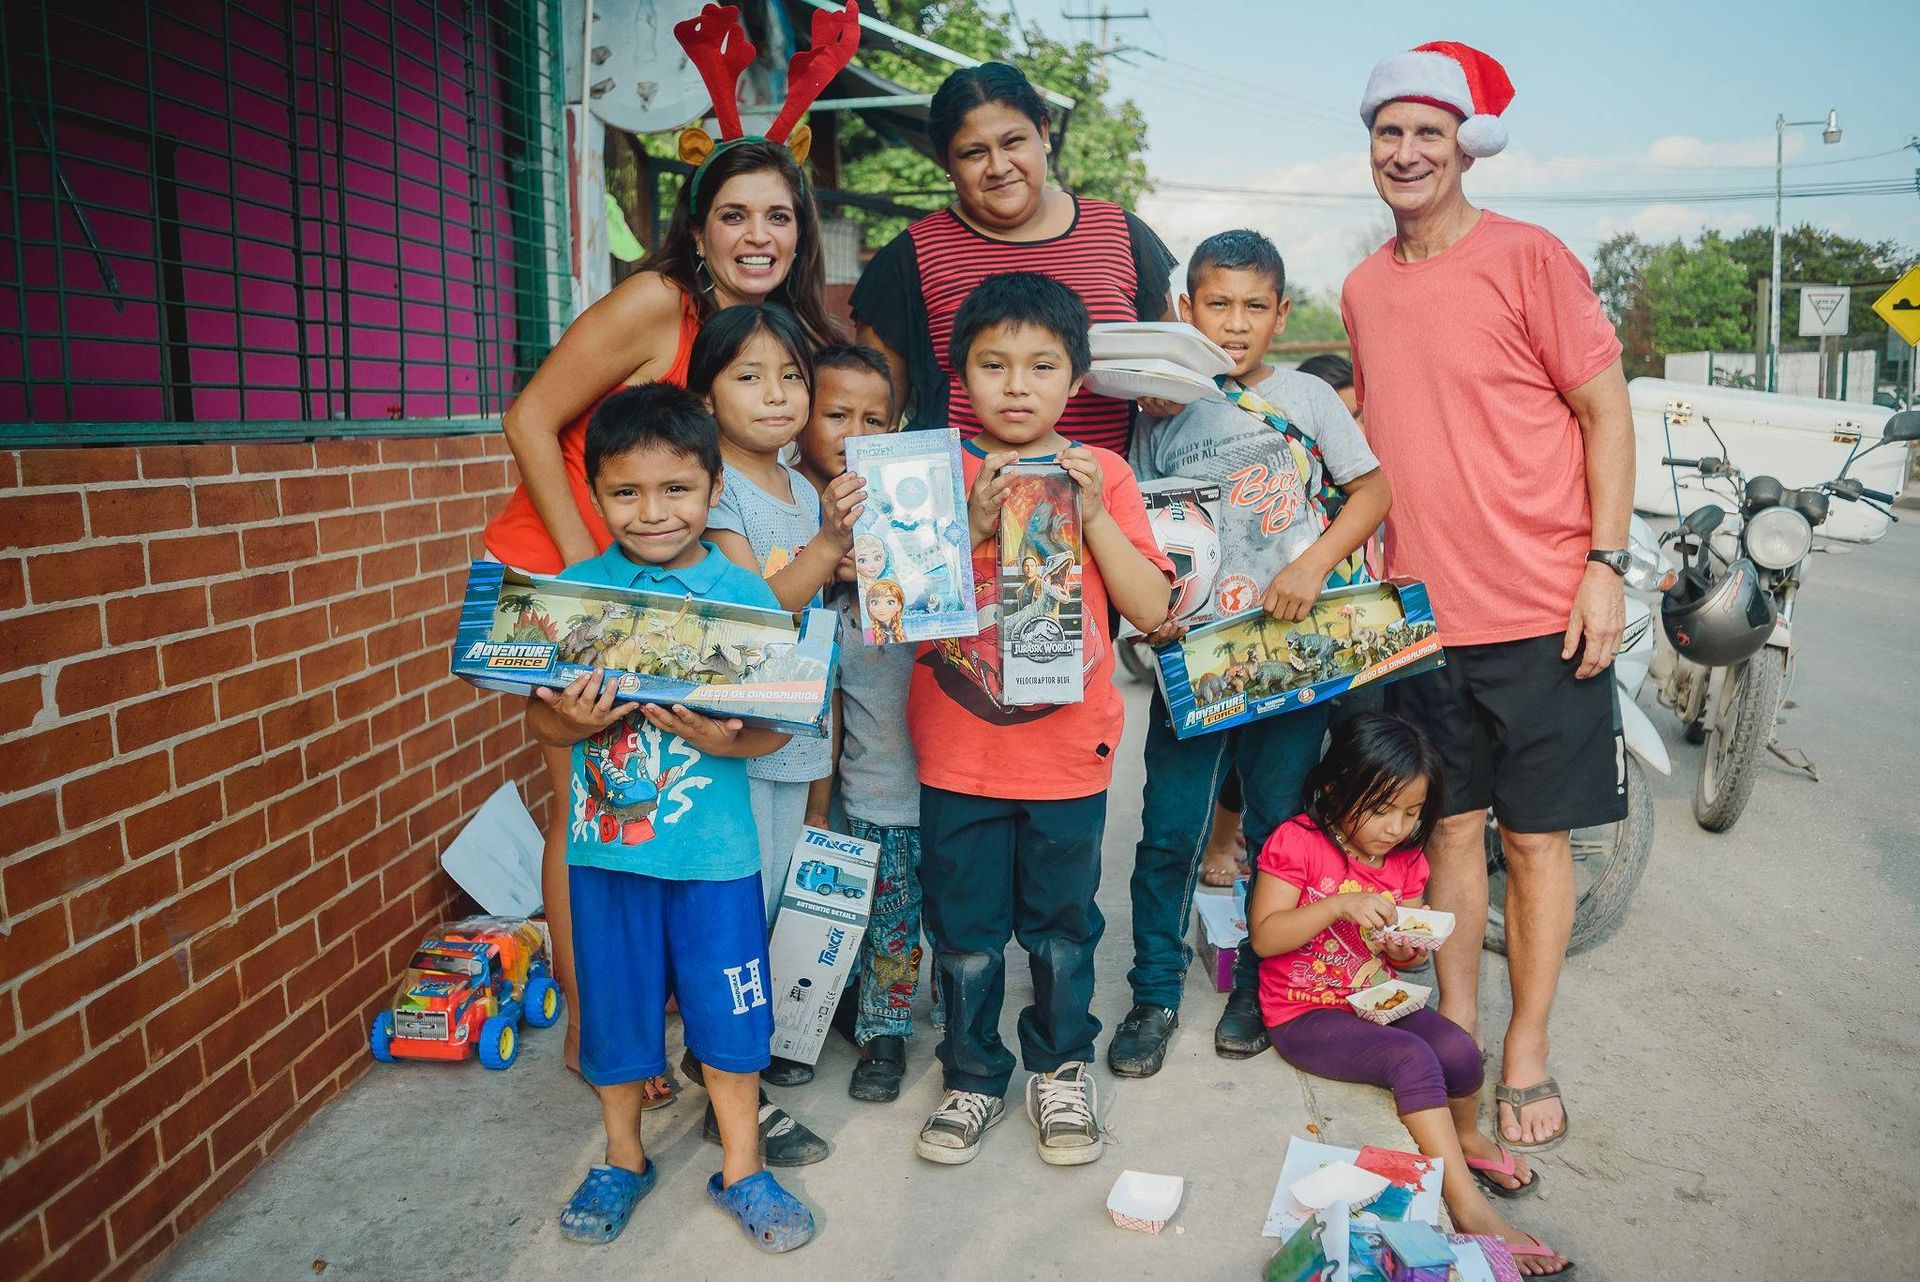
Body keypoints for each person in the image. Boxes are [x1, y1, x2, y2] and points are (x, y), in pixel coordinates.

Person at [479, 137, 838, 1103]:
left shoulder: (771, 325)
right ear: (697, 226)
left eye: (777, 215)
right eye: (733, 214)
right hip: (578, 564)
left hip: (670, 586)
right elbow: (530, 419)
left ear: (800, 231)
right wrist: (589, 582)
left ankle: (664, 1012)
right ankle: (594, 1031)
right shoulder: (657, 304)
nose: (756, 235)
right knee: (585, 800)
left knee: (658, 788)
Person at [1342, 42, 1635, 1156]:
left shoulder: (1531, 259)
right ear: (1368, 148)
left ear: (1465, 144)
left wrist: (1603, 565)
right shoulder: (1365, 288)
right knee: (1450, 832)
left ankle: (1528, 1050)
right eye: (1387, 133)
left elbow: (1606, 413)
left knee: (1536, 844)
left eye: (1427, 131)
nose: (1406, 152)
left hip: (1543, 606)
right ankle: (1459, 1034)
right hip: (1421, 618)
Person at [527, 383, 817, 1253]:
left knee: (732, 1024)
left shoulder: (747, 598)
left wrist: (725, 745)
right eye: (626, 492)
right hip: (607, 854)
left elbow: (771, 729)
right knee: (617, 1019)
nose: (653, 513)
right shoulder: (576, 594)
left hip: (715, 858)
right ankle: (623, 1159)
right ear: (598, 493)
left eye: (676, 489)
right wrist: (570, 721)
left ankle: (743, 1169)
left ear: (711, 484)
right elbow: (538, 720)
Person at [909, 272, 1173, 1167]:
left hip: (1068, 755)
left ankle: (1061, 1072)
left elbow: (1151, 606)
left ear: (1076, 378)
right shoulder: (930, 474)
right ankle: (972, 1076)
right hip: (958, 755)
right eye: (993, 364)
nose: (1016, 385)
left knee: (1063, 928)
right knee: (967, 933)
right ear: (959, 374)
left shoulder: (1107, 473)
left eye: (1041, 365)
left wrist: (1094, 514)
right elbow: (899, 610)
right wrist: (973, 530)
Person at [1115, 230, 1391, 1078]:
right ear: (1185, 310)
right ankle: (1155, 991)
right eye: (1216, 305)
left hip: (1293, 660)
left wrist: (1310, 564)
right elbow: (1141, 528)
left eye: (1253, 306)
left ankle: (1256, 989)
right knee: (1171, 832)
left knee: (1276, 832)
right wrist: (1151, 614)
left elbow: (1372, 489)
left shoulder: (1308, 398)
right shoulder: (1159, 405)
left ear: (1280, 313)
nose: (1234, 324)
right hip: (1194, 663)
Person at [1249, 714, 1572, 1277]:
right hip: (1303, 1012)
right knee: (1412, 1058)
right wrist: (1336, 906)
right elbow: (1265, 936)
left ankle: (1466, 1137)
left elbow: (1408, 954)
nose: (1396, 827)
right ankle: (1470, 1209)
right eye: (1381, 808)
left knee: (1459, 1049)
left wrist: (1405, 948)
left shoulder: (1405, 861)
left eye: (1412, 812)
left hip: (1374, 999)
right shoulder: (1296, 842)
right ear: (1333, 789)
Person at [688, 303, 865, 1091]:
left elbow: (818, 615)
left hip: (797, 731)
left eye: (791, 376)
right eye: (749, 376)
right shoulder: (718, 493)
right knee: (740, 903)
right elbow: (757, 610)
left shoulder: (800, 485)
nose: (776, 394)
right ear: (705, 399)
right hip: (738, 736)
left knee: (780, 900)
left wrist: (846, 563)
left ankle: (756, 1047)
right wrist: (828, 549)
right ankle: (725, 1061)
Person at [851, 62, 1176, 458]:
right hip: (968, 508)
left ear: (1043, 132)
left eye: (1012, 142)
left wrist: (1170, 393)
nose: (999, 167)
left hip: (1108, 503)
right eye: (973, 153)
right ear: (946, 163)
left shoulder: (1120, 232)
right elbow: (872, 419)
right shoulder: (909, 258)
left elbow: (1173, 371)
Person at [794, 344, 935, 1103]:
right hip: (868, 776)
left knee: (939, 910)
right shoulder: (791, 508)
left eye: (872, 419)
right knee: (879, 910)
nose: (852, 432)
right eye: (836, 414)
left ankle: (934, 1017)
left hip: (937, 760)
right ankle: (881, 1032)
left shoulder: (916, 505)